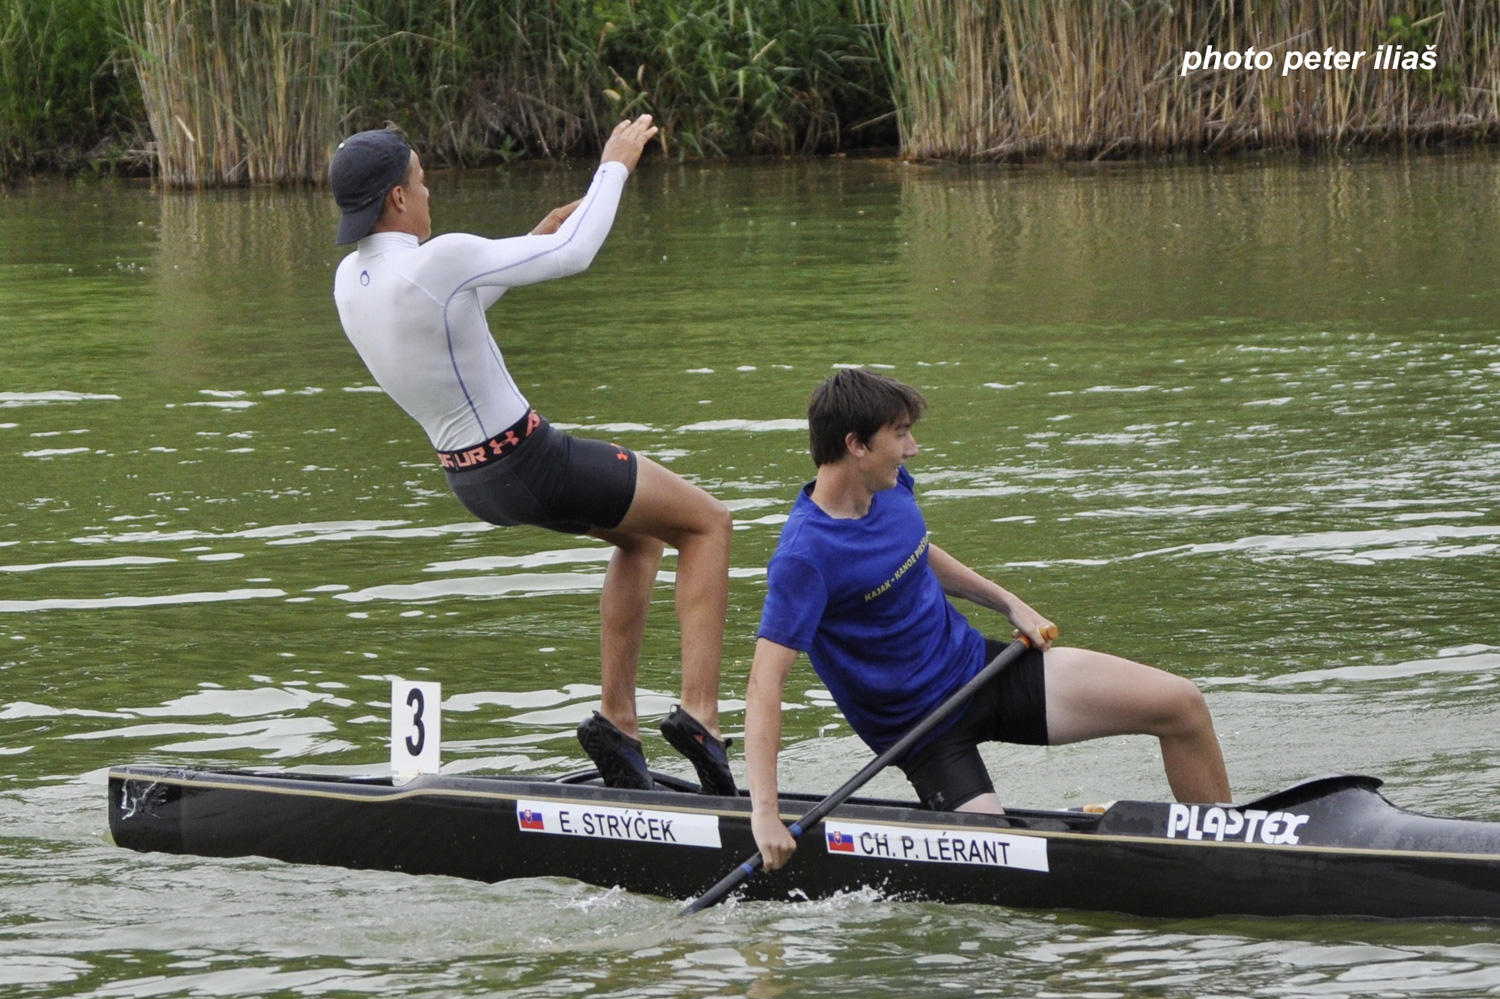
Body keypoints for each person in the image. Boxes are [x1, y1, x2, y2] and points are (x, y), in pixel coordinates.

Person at [329, 117, 734, 795]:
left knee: (640, 542)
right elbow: (576, 254)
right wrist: (616, 165)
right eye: (423, 181)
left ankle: (617, 722)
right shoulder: (439, 259)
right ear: (397, 198)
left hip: (473, 481)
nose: (430, 194)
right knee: (708, 524)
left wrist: (527, 245)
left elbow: (452, 312)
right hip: (528, 460)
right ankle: (700, 716)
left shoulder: (352, 279)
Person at [746, 368, 1231, 869]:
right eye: (899, 434)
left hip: (982, 670)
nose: (912, 448)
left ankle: (1230, 854)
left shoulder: (888, 487)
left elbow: (913, 549)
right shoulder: (804, 559)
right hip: (924, 733)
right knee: (1006, 872)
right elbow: (765, 683)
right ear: (857, 446)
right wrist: (765, 813)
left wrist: (1007, 603)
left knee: (1181, 705)